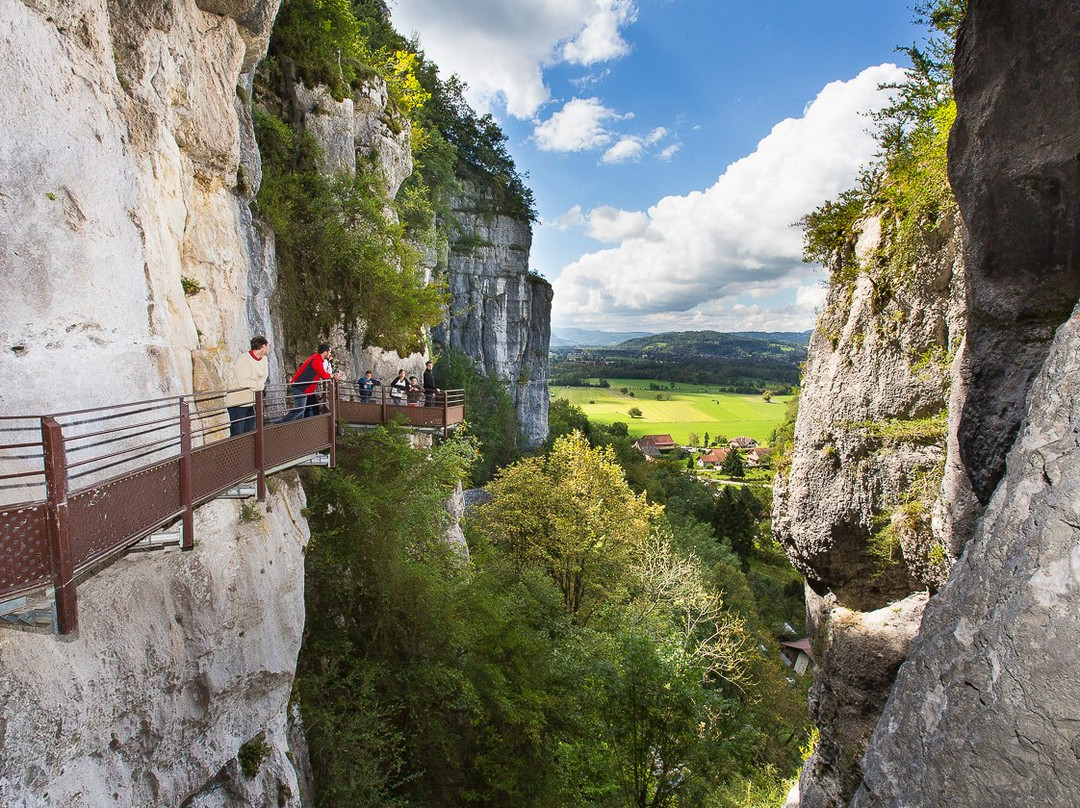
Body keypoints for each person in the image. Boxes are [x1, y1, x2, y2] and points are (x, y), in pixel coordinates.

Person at [284, 342, 343, 421]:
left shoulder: (317, 359)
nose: (330, 354)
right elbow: (324, 375)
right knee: (300, 410)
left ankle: (297, 428)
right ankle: (280, 424)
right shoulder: (316, 360)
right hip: (301, 388)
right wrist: (334, 376)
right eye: (329, 352)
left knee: (302, 411)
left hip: (305, 389)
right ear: (325, 352)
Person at [225, 336, 270, 437]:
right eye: (268, 345)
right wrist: (259, 385)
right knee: (238, 434)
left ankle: (249, 453)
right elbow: (244, 382)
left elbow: (263, 378)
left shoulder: (264, 359)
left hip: (251, 402)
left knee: (250, 433)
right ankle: (236, 453)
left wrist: (256, 383)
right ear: (263, 346)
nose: (269, 348)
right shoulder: (244, 359)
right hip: (237, 403)